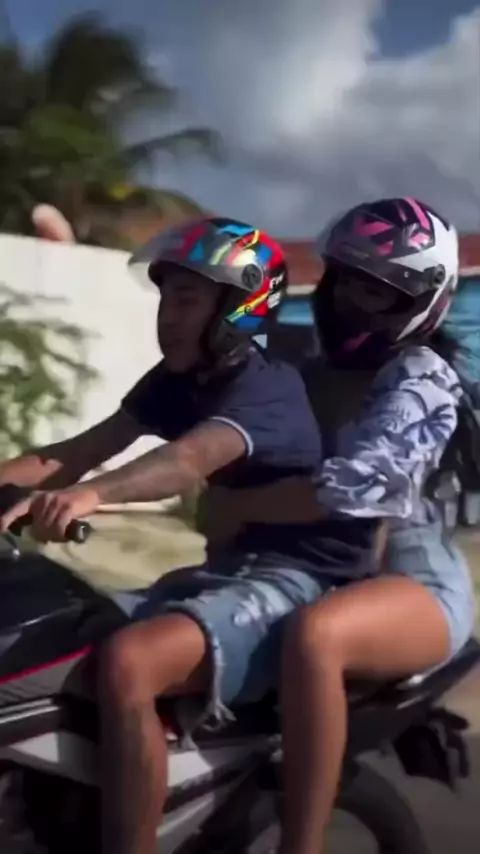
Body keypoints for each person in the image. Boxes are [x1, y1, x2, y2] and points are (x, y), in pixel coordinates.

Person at [0, 215, 384, 854]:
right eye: (164, 300)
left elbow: (187, 460)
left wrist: (93, 494)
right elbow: (76, 450)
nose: (167, 318)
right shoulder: (179, 381)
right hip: (227, 569)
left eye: (185, 300)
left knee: (130, 662)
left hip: (300, 578)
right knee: (64, 635)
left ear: (239, 307)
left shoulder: (267, 386)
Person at [204, 198, 476, 854]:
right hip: (317, 567)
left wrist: (242, 507)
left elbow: (355, 492)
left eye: (376, 291)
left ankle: (303, 843)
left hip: (411, 583)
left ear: (422, 300)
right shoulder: (310, 373)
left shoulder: (422, 381)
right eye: (345, 280)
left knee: (318, 637)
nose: (351, 301)